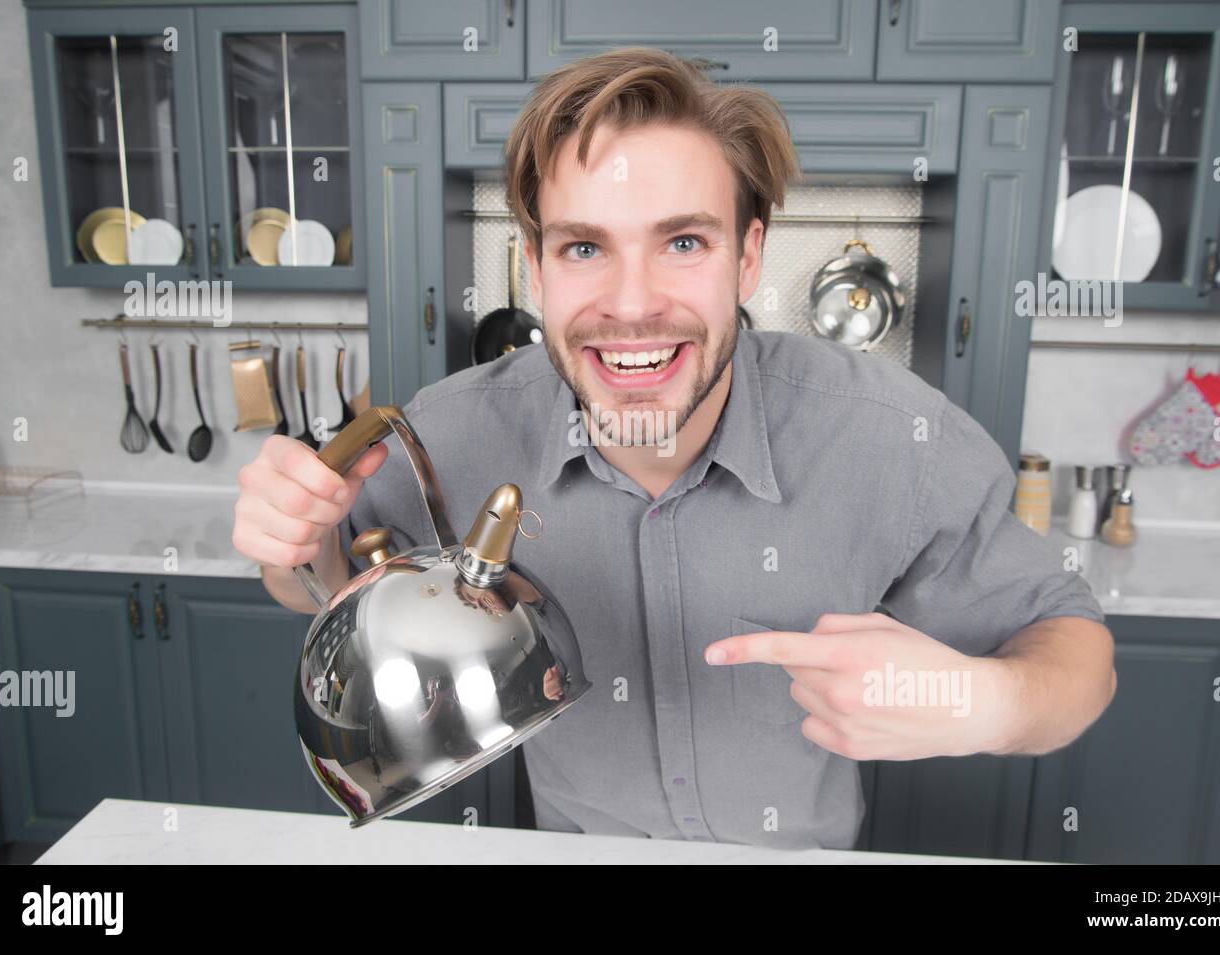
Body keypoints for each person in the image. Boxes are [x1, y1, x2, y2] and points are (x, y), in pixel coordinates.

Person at [233, 47, 1115, 850]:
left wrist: (980, 702)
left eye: (683, 241)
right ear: (536, 270)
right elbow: (318, 584)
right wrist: (293, 540)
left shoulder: (891, 438)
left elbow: (1079, 653)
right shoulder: (449, 433)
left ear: (746, 258)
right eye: (584, 247)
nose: (632, 303)